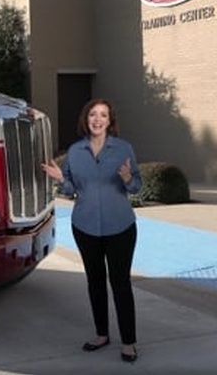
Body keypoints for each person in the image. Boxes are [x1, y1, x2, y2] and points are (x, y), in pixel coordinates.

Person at [41, 98, 142, 363]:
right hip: (85, 227)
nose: (97, 120)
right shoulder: (75, 152)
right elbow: (71, 190)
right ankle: (101, 334)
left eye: (103, 115)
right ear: (86, 119)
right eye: (93, 115)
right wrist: (62, 179)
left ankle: (129, 342)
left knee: (120, 284)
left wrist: (129, 178)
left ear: (110, 121)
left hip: (120, 227)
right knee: (95, 282)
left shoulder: (123, 149)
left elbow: (137, 187)